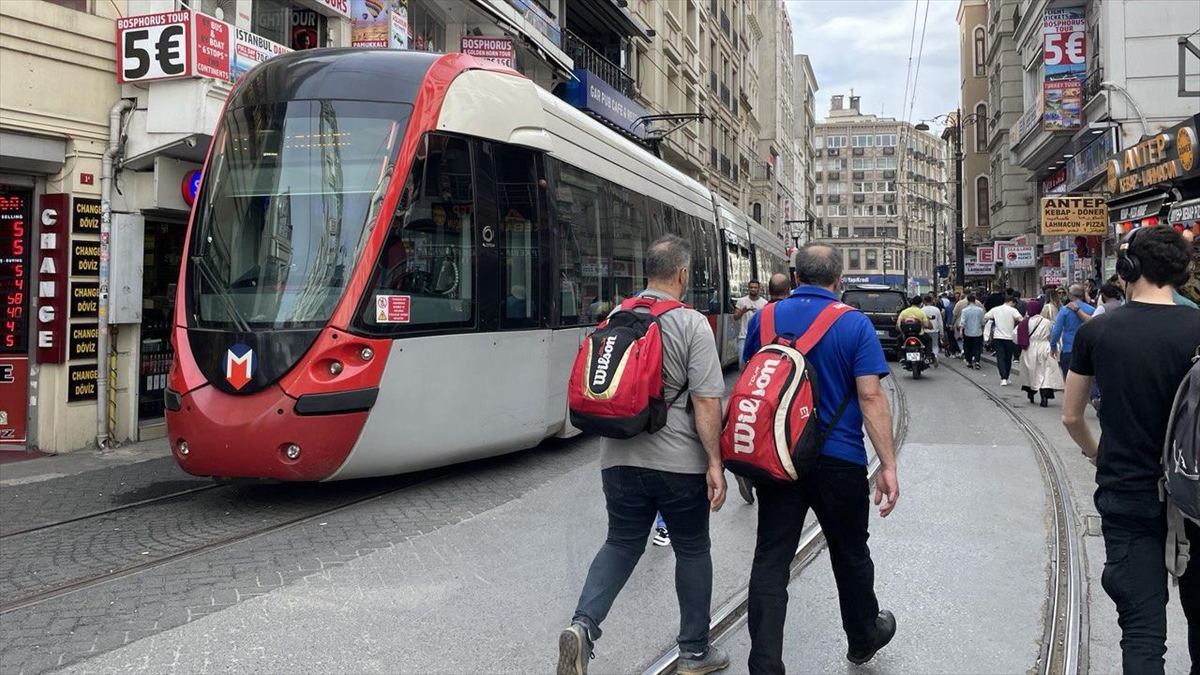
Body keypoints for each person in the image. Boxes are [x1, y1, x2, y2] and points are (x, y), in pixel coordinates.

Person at [558, 235, 730, 675]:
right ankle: (694, 651)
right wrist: (715, 463)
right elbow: (708, 401)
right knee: (692, 549)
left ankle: (583, 626)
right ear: (682, 274)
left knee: (620, 542)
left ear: (646, 272)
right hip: (678, 464)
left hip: (617, 457)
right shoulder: (691, 324)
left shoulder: (616, 315)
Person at [741, 243, 900, 672]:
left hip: (779, 457)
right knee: (850, 552)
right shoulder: (854, 324)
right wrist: (887, 464)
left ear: (795, 279)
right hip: (839, 458)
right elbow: (870, 395)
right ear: (838, 280)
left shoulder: (765, 318)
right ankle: (863, 638)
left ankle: (765, 664)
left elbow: (751, 382)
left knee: (771, 559)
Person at [1062, 225, 1200, 675]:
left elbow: (1071, 416)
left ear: (1128, 269)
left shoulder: (1098, 333)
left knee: (1142, 636)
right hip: (1197, 499)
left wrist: (1098, 453)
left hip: (1129, 496)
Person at [1016, 299, 1063, 407]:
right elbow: (1052, 334)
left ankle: (1031, 392)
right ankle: (1045, 396)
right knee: (1046, 371)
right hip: (1045, 347)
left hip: (1030, 348)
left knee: (1031, 372)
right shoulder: (1047, 322)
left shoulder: (1024, 322)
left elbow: (1016, 335)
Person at [1050, 283, 1095, 379]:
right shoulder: (1091, 310)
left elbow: (1056, 330)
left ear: (1070, 294)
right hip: (1087, 348)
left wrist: (1053, 346)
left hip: (1069, 348)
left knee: (1069, 378)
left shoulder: (1064, 310)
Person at [983, 295, 1022, 386]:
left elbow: (986, 316)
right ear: (1012, 302)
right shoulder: (1013, 310)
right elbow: (1020, 319)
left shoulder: (996, 309)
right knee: (1008, 358)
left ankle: (1003, 377)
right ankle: (1006, 377)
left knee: (1000, 358)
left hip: (998, 337)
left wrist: (994, 320)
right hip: (1009, 338)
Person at [734, 279, 768, 367]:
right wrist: (742, 311)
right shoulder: (741, 301)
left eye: (755, 287)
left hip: (759, 337)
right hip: (744, 336)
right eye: (751, 287)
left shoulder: (764, 303)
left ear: (759, 289)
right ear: (748, 288)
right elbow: (735, 317)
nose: (753, 289)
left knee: (758, 364)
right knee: (742, 364)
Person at [957, 294, 986, 369]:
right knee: (977, 347)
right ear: (975, 300)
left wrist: (960, 331)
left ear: (968, 301)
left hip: (968, 331)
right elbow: (983, 321)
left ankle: (969, 361)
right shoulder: (980, 310)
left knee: (967, 347)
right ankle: (977, 361)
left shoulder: (965, 310)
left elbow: (962, 322)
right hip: (978, 331)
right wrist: (983, 329)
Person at [920, 294, 943, 364]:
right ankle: (935, 355)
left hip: (924, 330)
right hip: (935, 330)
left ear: (924, 301)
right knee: (935, 345)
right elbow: (940, 321)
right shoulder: (937, 310)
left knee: (924, 344)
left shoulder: (922, 310)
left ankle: (926, 356)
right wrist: (941, 332)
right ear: (932, 301)